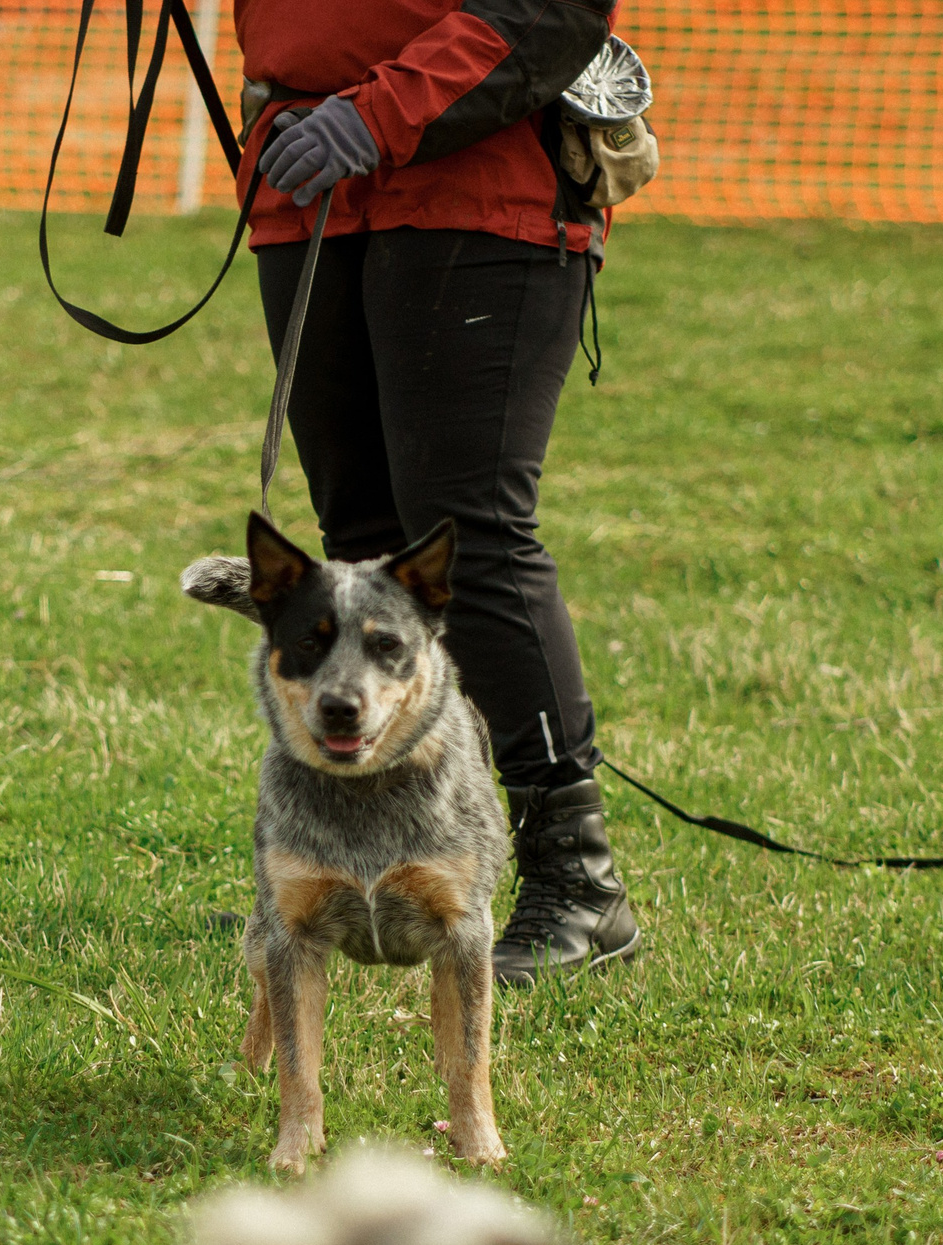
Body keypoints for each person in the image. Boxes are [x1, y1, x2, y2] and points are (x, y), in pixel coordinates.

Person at [234, 0, 638, 987]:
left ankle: (575, 882)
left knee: (469, 543)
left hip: (473, 176)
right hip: (306, 172)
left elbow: (551, 9)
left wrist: (378, 114)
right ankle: (376, 871)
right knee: (362, 551)